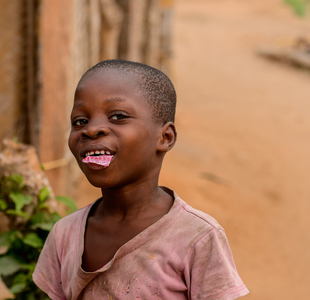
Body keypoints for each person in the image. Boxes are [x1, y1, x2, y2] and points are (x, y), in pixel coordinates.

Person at [33, 59, 249, 300]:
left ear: (165, 137)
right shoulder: (65, 234)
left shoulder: (197, 237)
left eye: (117, 116)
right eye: (80, 121)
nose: (91, 130)